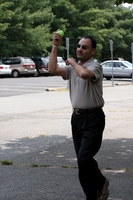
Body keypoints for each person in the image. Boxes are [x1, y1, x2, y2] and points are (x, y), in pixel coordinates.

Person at [48, 30, 109, 200]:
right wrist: (55, 46)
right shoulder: (72, 68)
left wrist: (74, 63)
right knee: (81, 163)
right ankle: (91, 196)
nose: (80, 49)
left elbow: (83, 74)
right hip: (77, 118)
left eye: (85, 47)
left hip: (93, 118)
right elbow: (52, 68)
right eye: (78, 46)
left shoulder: (95, 66)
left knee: (84, 159)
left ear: (93, 51)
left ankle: (101, 181)